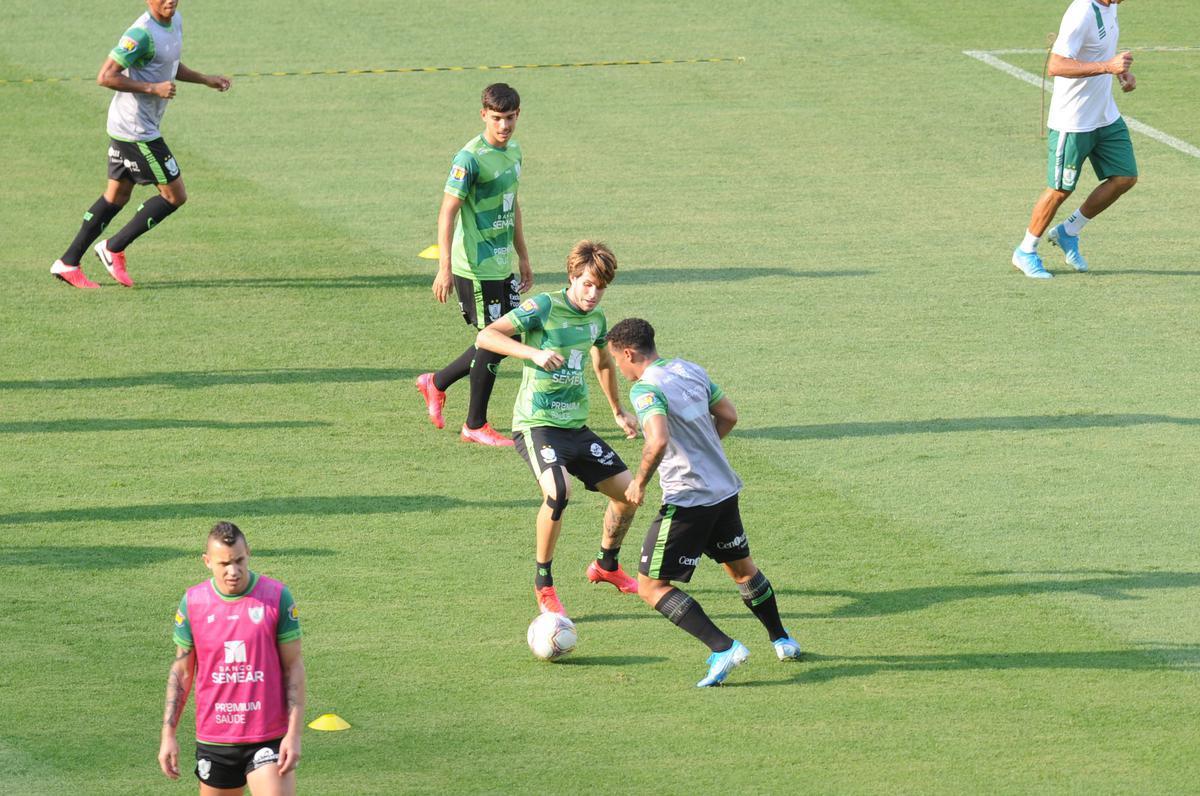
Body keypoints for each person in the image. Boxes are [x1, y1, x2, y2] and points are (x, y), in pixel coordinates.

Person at [605, 317, 801, 687]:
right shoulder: (689, 368)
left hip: (689, 498)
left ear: (629, 353)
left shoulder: (645, 390)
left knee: (651, 587)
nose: (618, 367)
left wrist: (640, 484)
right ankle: (782, 639)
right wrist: (703, 449)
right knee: (743, 570)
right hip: (724, 490)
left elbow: (658, 440)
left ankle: (722, 647)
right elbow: (728, 415)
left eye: (618, 360)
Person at [475, 241, 641, 617]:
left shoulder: (597, 321)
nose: (593, 293)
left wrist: (618, 410)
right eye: (586, 284)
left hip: (575, 428)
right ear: (572, 278)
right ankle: (544, 583)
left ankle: (606, 565)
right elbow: (487, 337)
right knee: (559, 491)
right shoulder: (544, 307)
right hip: (538, 425)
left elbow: (602, 363)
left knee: (629, 495)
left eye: (600, 286)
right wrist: (533, 353)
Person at [51, 0, 231, 289]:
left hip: (130, 126)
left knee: (116, 196)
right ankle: (113, 247)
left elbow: (167, 64)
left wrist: (204, 79)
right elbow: (105, 76)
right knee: (175, 195)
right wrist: (152, 88)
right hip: (137, 130)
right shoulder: (140, 34)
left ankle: (68, 262)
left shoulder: (175, 22)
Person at [416, 83, 533, 446]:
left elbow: (510, 205)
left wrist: (524, 256)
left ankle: (435, 382)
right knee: (495, 339)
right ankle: (474, 424)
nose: (504, 126)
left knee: (508, 334)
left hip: (501, 264)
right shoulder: (468, 159)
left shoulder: (513, 152)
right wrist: (444, 267)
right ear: (484, 115)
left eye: (510, 118)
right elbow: (447, 212)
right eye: (497, 118)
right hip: (474, 267)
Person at [158, 522, 305, 795]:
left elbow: (293, 667)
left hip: (268, 736)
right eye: (224, 563)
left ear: (248, 552)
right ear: (207, 562)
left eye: (239, 560)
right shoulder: (193, 603)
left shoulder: (276, 598)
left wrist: (294, 735)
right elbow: (182, 672)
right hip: (216, 740)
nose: (233, 571)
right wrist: (168, 735)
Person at [1012, 0, 1137, 279]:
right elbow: (1056, 65)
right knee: (1060, 189)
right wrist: (1108, 66)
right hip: (1074, 120)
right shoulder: (1081, 12)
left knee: (1125, 177)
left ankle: (1068, 231)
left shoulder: (1110, 6)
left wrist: (1120, 72)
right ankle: (1026, 250)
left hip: (1104, 115)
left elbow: (1098, 50)